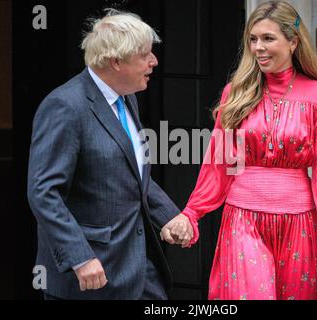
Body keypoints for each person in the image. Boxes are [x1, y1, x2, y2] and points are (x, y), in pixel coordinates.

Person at [162, 0, 317, 300]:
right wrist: (192, 212)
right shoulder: (235, 93)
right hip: (243, 219)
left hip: (299, 222)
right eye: (253, 39)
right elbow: (219, 163)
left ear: (293, 42)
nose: (258, 47)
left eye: (268, 38)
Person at [27, 9, 192, 300]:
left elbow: (132, 172)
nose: (154, 62)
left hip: (139, 269)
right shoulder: (65, 106)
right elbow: (43, 192)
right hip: (91, 276)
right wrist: (79, 257)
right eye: (144, 55)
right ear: (115, 61)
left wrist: (168, 216)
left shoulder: (126, 97)